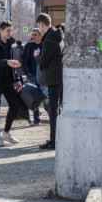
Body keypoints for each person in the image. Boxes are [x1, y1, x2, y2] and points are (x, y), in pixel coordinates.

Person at [0, 20, 23, 147]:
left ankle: (6, 132)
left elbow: (13, 65)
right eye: (8, 31)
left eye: (11, 30)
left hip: (8, 80)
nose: (10, 33)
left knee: (15, 105)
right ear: (1, 30)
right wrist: (6, 62)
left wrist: (17, 79)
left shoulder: (11, 44)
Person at [36, 13, 64, 150]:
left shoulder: (48, 40)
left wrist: (37, 56)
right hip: (59, 78)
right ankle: (56, 138)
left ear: (42, 24)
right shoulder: (58, 36)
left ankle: (54, 141)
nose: (39, 30)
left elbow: (43, 61)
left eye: (39, 27)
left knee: (53, 110)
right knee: (56, 109)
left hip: (53, 79)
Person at [21, 28, 48, 126]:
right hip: (31, 75)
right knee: (33, 97)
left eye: (35, 35)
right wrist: (25, 70)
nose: (33, 36)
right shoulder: (29, 45)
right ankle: (36, 119)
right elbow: (24, 58)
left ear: (41, 36)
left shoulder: (45, 45)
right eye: (32, 34)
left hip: (43, 75)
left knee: (46, 97)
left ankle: (52, 118)